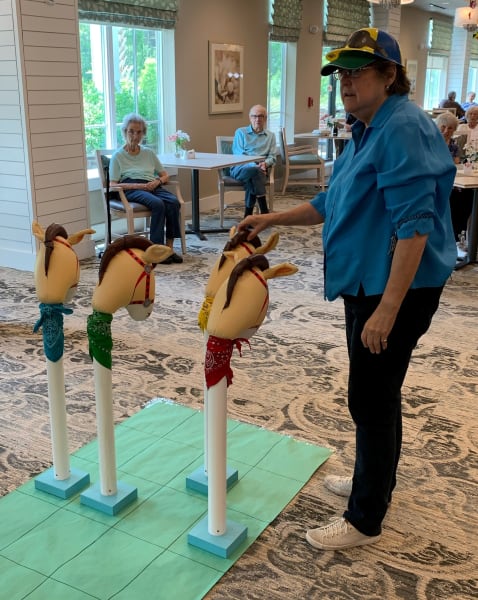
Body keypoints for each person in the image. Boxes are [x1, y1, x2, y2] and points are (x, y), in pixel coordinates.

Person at [238, 28, 457, 551]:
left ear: (390, 75)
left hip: (395, 290)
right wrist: (272, 216)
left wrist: (387, 309)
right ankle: (371, 483)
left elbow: (415, 225)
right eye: (341, 72)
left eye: (359, 70)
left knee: (372, 397)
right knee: (377, 395)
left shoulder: (401, 127)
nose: (346, 81)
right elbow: (328, 201)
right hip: (369, 283)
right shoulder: (366, 128)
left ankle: (364, 519)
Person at [109, 113, 183, 264]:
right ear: (124, 132)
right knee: (157, 204)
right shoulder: (118, 156)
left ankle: (169, 249)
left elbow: (164, 175)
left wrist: (157, 182)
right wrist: (138, 186)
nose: (135, 136)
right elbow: (113, 184)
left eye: (139, 132)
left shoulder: (148, 153)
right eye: (131, 131)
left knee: (174, 202)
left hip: (152, 184)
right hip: (132, 187)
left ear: (143, 134)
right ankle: (154, 250)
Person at [230, 105, 277, 217]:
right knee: (255, 171)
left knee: (253, 178)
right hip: (240, 168)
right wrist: (256, 166)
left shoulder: (270, 136)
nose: (258, 119)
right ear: (250, 118)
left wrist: (265, 163)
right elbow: (239, 155)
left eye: (261, 116)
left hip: (260, 170)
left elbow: (273, 157)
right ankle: (264, 210)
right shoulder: (241, 132)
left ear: (265, 118)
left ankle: (248, 215)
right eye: (254, 116)